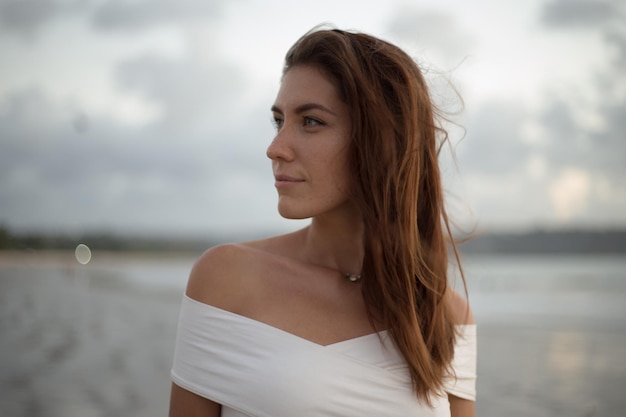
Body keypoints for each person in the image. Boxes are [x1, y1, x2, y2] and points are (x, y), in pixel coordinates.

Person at [169, 26, 476, 417]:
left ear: (381, 139)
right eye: (279, 121)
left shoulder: (443, 313)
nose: (275, 148)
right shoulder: (227, 280)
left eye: (311, 121)